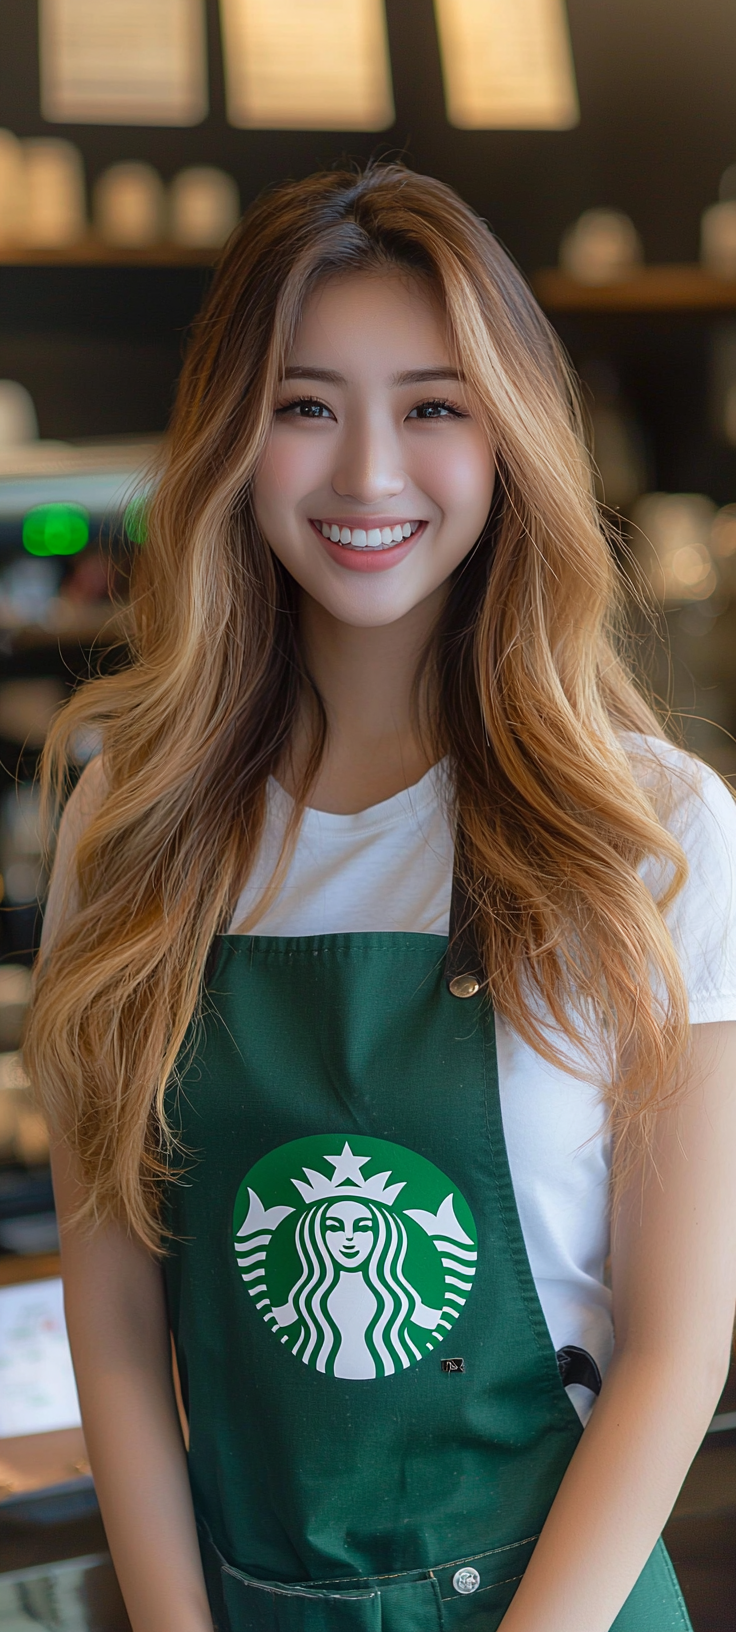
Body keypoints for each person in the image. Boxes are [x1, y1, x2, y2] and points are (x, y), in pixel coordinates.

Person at [26, 163, 736, 1632]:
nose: (367, 476)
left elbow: (677, 1346)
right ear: (230, 436)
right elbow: (113, 1324)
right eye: (305, 406)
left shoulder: (656, 830)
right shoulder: (131, 825)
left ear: (511, 438)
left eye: (431, 404)